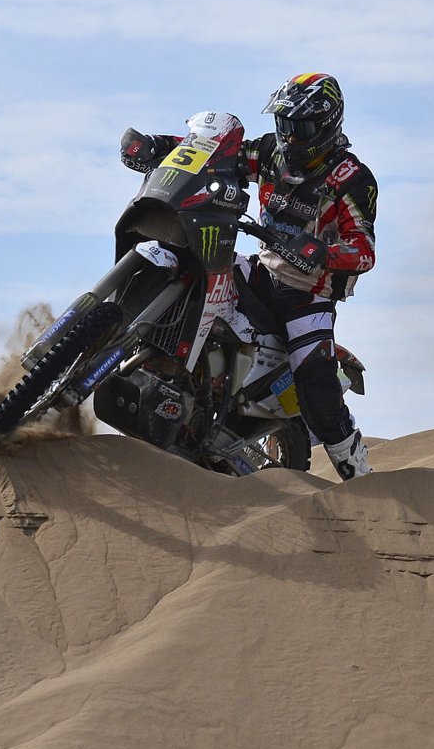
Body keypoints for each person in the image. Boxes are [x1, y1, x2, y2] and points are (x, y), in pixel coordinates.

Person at [120, 73, 377, 479]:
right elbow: (213, 153)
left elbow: (363, 250)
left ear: (328, 125)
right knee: (187, 266)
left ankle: (358, 474)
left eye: (302, 127)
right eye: (286, 124)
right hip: (260, 270)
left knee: (316, 383)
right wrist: (158, 147)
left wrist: (323, 251)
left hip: (307, 295)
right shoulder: (272, 152)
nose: (291, 136)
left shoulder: (351, 179)